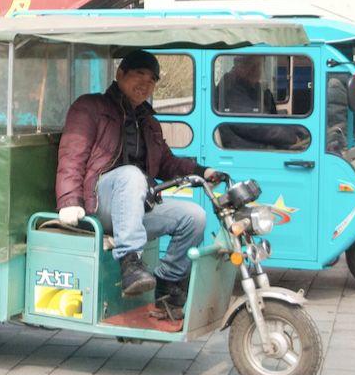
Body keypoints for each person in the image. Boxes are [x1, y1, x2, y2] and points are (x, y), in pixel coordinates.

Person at [56, 50, 223, 319]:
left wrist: (203, 171)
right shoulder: (90, 107)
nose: (145, 84)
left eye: (152, 79)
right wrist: (68, 201)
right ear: (120, 74)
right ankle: (130, 263)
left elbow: (167, 162)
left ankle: (167, 282)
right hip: (98, 202)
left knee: (194, 216)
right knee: (131, 174)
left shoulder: (148, 120)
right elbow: (71, 155)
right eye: (139, 75)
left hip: (134, 206)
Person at [214, 55, 305, 150]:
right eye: (251, 66)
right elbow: (252, 123)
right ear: (238, 66)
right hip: (243, 148)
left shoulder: (251, 87)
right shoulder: (231, 88)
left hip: (254, 143)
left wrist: (298, 129)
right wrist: (290, 137)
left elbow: (267, 116)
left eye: (258, 66)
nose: (255, 70)